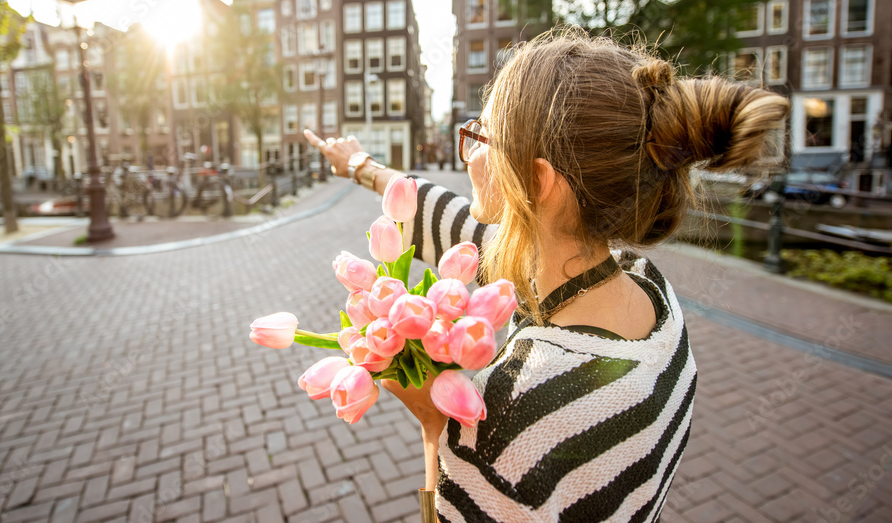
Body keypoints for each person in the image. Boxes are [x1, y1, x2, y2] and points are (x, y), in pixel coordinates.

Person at [304, 29, 789, 522]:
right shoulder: (648, 291)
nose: (469, 154)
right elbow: (448, 218)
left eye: (482, 137)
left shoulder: (512, 421)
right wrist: (362, 167)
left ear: (537, 180)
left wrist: (439, 429)